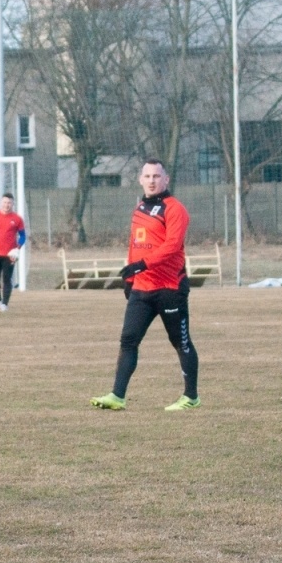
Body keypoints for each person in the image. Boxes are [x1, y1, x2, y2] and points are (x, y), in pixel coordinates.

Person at [89, 158, 200, 411]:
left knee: (180, 342)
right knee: (128, 340)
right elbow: (135, 245)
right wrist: (130, 278)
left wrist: (143, 264)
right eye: (147, 176)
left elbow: (172, 246)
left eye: (157, 176)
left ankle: (191, 397)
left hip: (170, 287)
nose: (152, 181)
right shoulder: (139, 208)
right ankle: (117, 396)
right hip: (142, 288)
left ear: (166, 179)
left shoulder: (175, 209)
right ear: (140, 179)